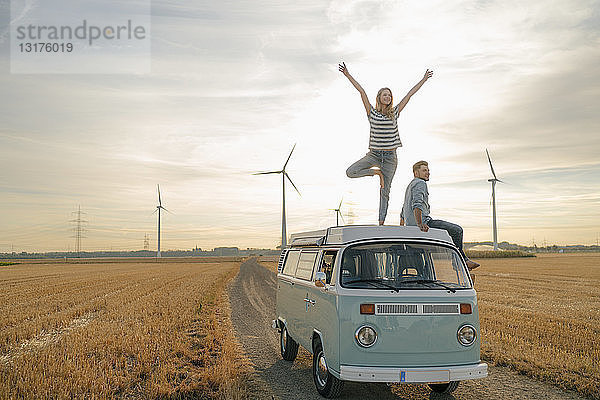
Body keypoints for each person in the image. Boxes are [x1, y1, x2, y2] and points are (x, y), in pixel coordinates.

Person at [339, 62, 433, 225]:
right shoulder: (372, 113)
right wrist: (347, 74)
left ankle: (381, 223)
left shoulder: (395, 112)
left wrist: (424, 79)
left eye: (389, 95)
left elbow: (410, 95)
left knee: (385, 192)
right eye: (384, 95)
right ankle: (376, 173)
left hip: (390, 158)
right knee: (350, 171)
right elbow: (361, 92)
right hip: (373, 155)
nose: (387, 97)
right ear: (379, 98)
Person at [400, 160, 480, 270]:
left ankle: (460, 260)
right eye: (424, 170)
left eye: (428, 170)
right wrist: (420, 224)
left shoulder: (409, 186)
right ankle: (460, 261)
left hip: (412, 226)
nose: (427, 173)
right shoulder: (420, 183)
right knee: (457, 230)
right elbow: (417, 204)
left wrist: (403, 229)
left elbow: (403, 211)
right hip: (425, 223)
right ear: (416, 173)